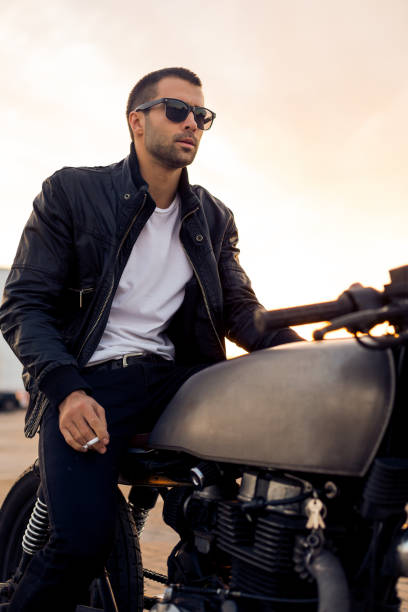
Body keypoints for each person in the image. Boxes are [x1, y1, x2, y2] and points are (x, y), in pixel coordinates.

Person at [0, 67, 301, 610]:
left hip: (178, 381)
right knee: (82, 542)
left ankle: (212, 577)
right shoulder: (71, 192)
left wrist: (310, 358)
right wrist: (66, 389)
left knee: (282, 486)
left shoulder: (211, 215)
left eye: (203, 116)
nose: (194, 124)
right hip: (90, 381)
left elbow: (242, 311)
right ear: (137, 121)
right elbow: (24, 303)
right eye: (178, 110)